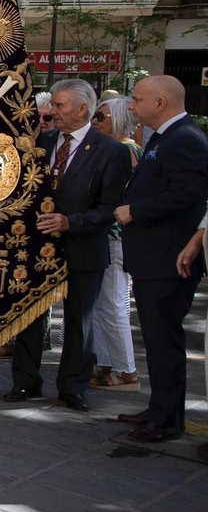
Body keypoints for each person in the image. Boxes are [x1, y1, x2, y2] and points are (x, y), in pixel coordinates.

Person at [6, 79, 132, 412]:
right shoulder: (41, 143)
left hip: (83, 247)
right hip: (37, 249)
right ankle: (25, 381)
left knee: (79, 320)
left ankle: (73, 386)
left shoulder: (112, 151)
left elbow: (110, 209)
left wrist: (70, 221)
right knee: (29, 316)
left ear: (81, 109)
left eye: (60, 106)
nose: (53, 111)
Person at [114, 75, 208, 442]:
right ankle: (159, 409)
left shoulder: (185, 139)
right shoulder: (168, 137)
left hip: (169, 257)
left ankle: (167, 419)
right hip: (155, 255)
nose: (132, 106)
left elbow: (187, 195)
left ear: (160, 103)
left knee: (164, 340)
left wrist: (135, 210)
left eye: (137, 99)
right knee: (155, 339)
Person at [88, 97, 141, 390]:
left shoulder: (124, 149)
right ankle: (108, 364)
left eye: (101, 117)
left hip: (115, 235)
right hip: (108, 234)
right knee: (102, 303)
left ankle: (125, 369)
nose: (95, 122)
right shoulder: (118, 148)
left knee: (112, 302)